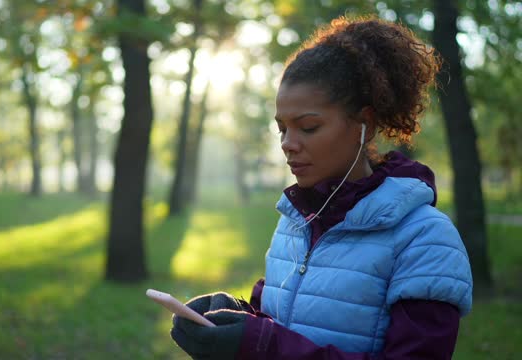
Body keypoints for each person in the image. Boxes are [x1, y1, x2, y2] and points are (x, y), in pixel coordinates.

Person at [168, 15, 473, 359]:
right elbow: (280, 323)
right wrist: (231, 316)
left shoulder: (425, 240)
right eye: (282, 128)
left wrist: (261, 345)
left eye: (308, 127)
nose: (287, 144)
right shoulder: (295, 221)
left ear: (365, 124)